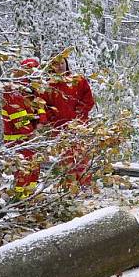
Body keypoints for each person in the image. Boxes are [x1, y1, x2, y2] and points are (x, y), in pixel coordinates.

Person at [42, 54, 95, 188]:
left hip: (79, 125)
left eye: (62, 63)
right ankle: (69, 188)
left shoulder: (78, 80)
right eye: (56, 64)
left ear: (66, 63)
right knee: (66, 160)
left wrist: (79, 115)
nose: (59, 66)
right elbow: (43, 105)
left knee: (82, 157)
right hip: (59, 127)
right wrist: (52, 118)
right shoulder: (47, 85)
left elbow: (88, 100)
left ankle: (85, 186)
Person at [1, 58, 47, 196]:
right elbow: (19, 119)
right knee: (24, 172)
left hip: (29, 140)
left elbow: (41, 109)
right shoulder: (13, 92)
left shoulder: (32, 92)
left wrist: (41, 122)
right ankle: (20, 201)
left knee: (34, 170)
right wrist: (32, 133)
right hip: (18, 140)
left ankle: (29, 199)